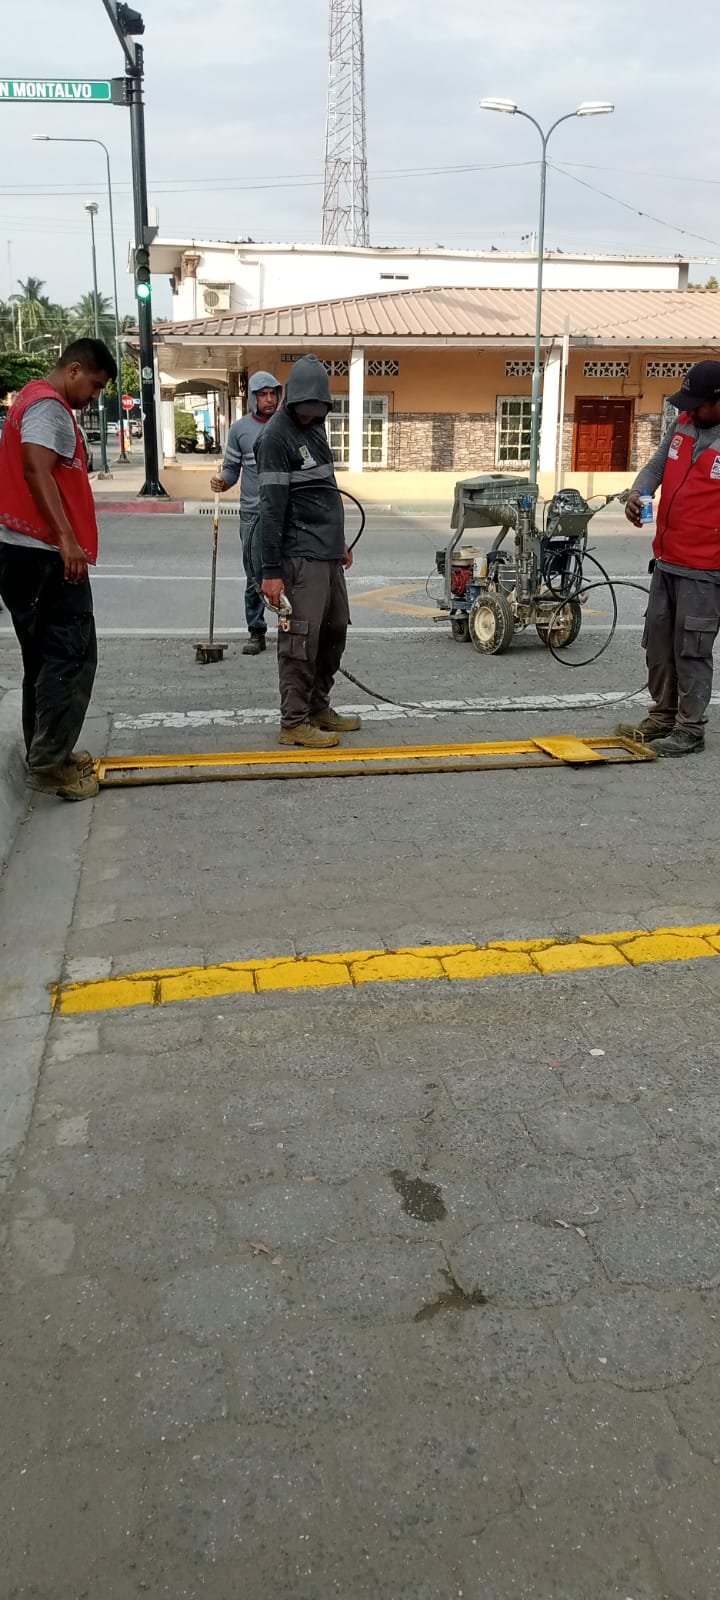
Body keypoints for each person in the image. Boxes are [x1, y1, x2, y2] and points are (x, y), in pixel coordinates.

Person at [0, 338, 116, 801]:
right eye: (95, 385)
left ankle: (47, 753)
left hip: (25, 553)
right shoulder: (48, 407)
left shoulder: (31, 398)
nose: (95, 396)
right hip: (43, 554)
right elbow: (37, 470)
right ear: (74, 370)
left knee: (44, 661)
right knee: (71, 656)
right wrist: (66, 538)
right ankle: (50, 765)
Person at [256, 354, 361, 749]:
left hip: (327, 553)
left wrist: (339, 543)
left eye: (318, 408)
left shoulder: (316, 429)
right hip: (298, 555)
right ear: (292, 399)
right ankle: (294, 721)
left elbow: (326, 491)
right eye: (305, 408)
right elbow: (271, 509)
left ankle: (318, 707)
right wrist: (271, 571)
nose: (311, 414)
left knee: (334, 630)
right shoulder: (276, 438)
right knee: (300, 639)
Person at [619, 360, 720, 758]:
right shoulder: (683, 422)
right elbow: (656, 465)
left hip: (706, 570)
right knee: (658, 645)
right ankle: (662, 717)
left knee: (691, 650)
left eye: (698, 403)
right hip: (667, 560)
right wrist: (636, 492)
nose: (689, 410)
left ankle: (690, 729)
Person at [210, 370, 282, 656]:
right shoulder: (239, 430)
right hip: (253, 514)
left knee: (291, 571)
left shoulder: (288, 425)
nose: (269, 399)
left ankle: (291, 628)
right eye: (263, 394)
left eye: (273, 393)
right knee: (255, 575)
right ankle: (256, 630)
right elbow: (231, 469)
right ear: (253, 398)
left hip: (285, 512)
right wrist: (222, 481)